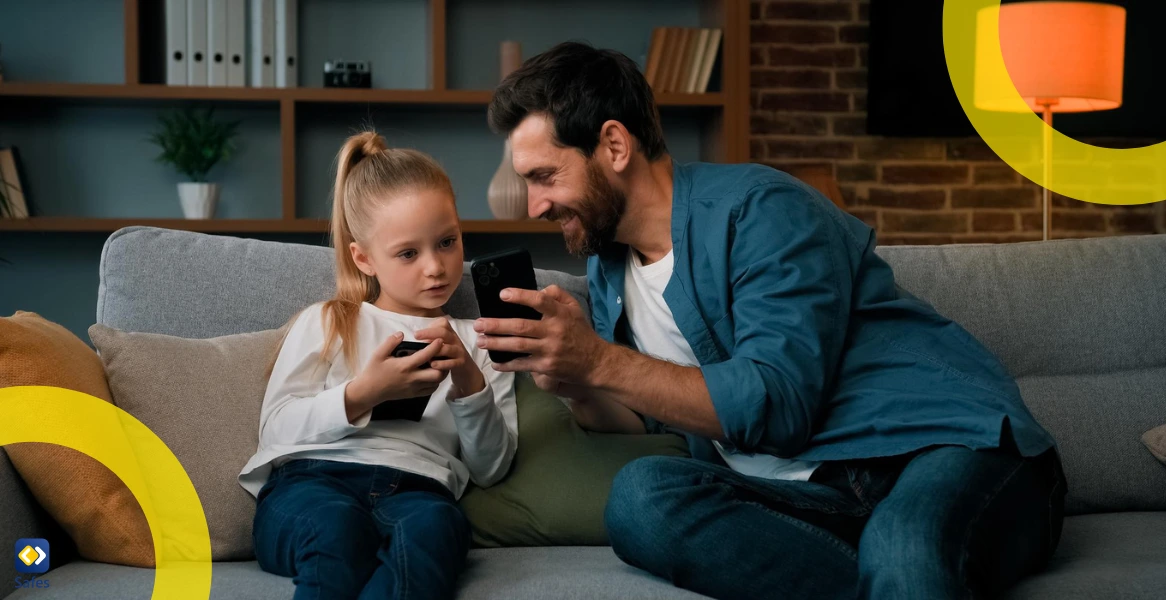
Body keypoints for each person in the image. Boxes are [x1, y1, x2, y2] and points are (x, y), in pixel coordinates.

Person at [475, 41, 1066, 599]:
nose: (535, 206)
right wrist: (580, 383)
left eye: (545, 177)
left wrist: (599, 359)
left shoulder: (761, 209)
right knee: (642, 497)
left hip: (941, 449)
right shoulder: (610, 268)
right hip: (817, 500)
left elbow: (776, 404)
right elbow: (654, 418)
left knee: (903, 547)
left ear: (614, 146)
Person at [238, 131, 517, 600]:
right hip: (311, 484)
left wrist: (469, 382)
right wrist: (363, 393)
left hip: (419, 491)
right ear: (363, 258)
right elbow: (276, 431)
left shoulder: (482, 342)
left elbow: (491, 468)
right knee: (337, 530)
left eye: (447, 242)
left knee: (436, 529)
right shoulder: (332, 320)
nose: (436, 267)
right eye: (409, 253)